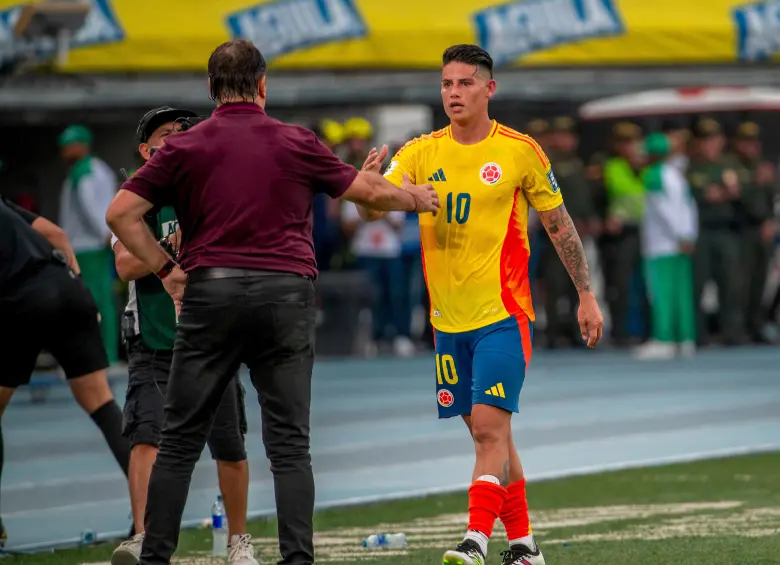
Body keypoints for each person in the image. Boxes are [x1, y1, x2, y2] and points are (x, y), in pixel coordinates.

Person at [105, 39, 439, 565]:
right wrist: (416, 197)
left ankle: (156, 558)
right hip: (285, 295)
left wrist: (170, 272)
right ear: (264, 85)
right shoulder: (294, 140)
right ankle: (296, 560)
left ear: (211, 90)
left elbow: (121, 215)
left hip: (209, 293)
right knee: (288, 445)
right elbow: (370, 197)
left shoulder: (184, 148)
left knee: (179, 440)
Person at [360, 44, 603, 565]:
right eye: (447, 83)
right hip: (447, 324)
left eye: (465, 83)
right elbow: (373, 210)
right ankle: (525, 547)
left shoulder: (519, 151)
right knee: (493, 437)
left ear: (488, 89)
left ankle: (474, 541)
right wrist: (368, 191)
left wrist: (585, 293)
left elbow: (560, 227)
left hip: (503, 316)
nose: (453, 92)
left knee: (490, 430)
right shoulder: (422, 151)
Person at [109, 107, 255, 565]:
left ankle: (238, 540)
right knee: (146, 438)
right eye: (164, 134)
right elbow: (125, 265)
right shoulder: (136, 196)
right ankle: (142, 535)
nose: (174, 140)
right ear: (144, 149)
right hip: (154, 340)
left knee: (229, 445)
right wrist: (170, 251)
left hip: (213, 337)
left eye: (182, 133)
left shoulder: (209, 189)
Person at [0, 195, 130, 546]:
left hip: (19, 300)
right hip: (66, 287)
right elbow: (57, 234)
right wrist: (77, 285)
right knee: (102, 403)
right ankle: (152, 514)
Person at [58, 125, 120, 364]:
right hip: (83, 247)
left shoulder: (89, 172)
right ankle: (94, 357)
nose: (64, 150)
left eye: (68, 145)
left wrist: (107, 236)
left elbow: (92, 208)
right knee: (90, 303)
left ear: (82, 145)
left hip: (91, 248)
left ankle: (105, 357)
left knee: (97, 303)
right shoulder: (80, 170)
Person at [634, 132, 698, 360]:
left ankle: (664, 339)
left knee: (661, 293)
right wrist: (688, 236)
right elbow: (688, 207)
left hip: (662, 245)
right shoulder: (677, 175)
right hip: (681, 243)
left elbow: (664, 210)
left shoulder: (654, 176)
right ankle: (686, 338)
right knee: (681, 293)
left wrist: (679, 235)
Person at [686, 117, 744, 345]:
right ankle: (698, 334)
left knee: (731, 283)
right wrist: (717, 194)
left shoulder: (731, 164)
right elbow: (694, 195)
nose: (708, 145)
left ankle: (732, 332)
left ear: (720, 141)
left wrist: (727, 193)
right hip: (700, 231)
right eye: (704, 140)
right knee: (697, 284)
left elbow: (743, 193)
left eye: (713, 139)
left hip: (726, 230)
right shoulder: (691, 167)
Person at [726, 121, 777, 343]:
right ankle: (738, 328)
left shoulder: (764, 166)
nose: (751, 147)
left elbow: (772, 198)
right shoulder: (732, 166)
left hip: (762, 230)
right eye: (746, 142)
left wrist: (771, 221)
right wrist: (754, 182)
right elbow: (738, 196)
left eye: (754, 142)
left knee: (760, 281)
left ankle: (756, 325)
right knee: (740, 283)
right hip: (741, 231)